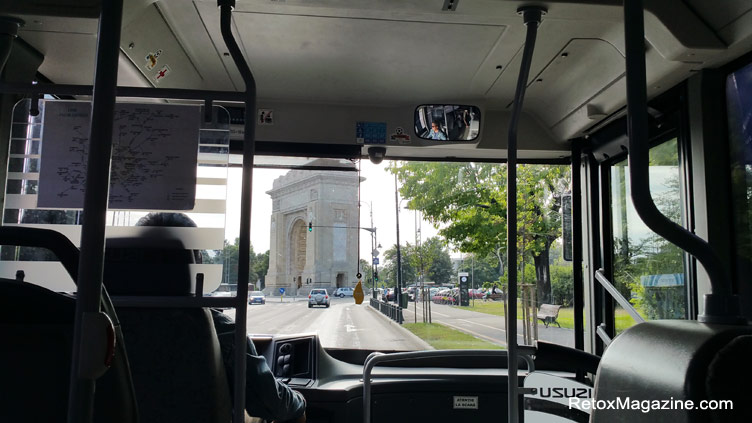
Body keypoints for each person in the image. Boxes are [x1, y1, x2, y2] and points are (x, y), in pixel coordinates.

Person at [136, 213, 306, 423]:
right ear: (196, 263)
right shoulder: (217, 329)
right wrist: (300, 401)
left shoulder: (98, 323)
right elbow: (275, 404)